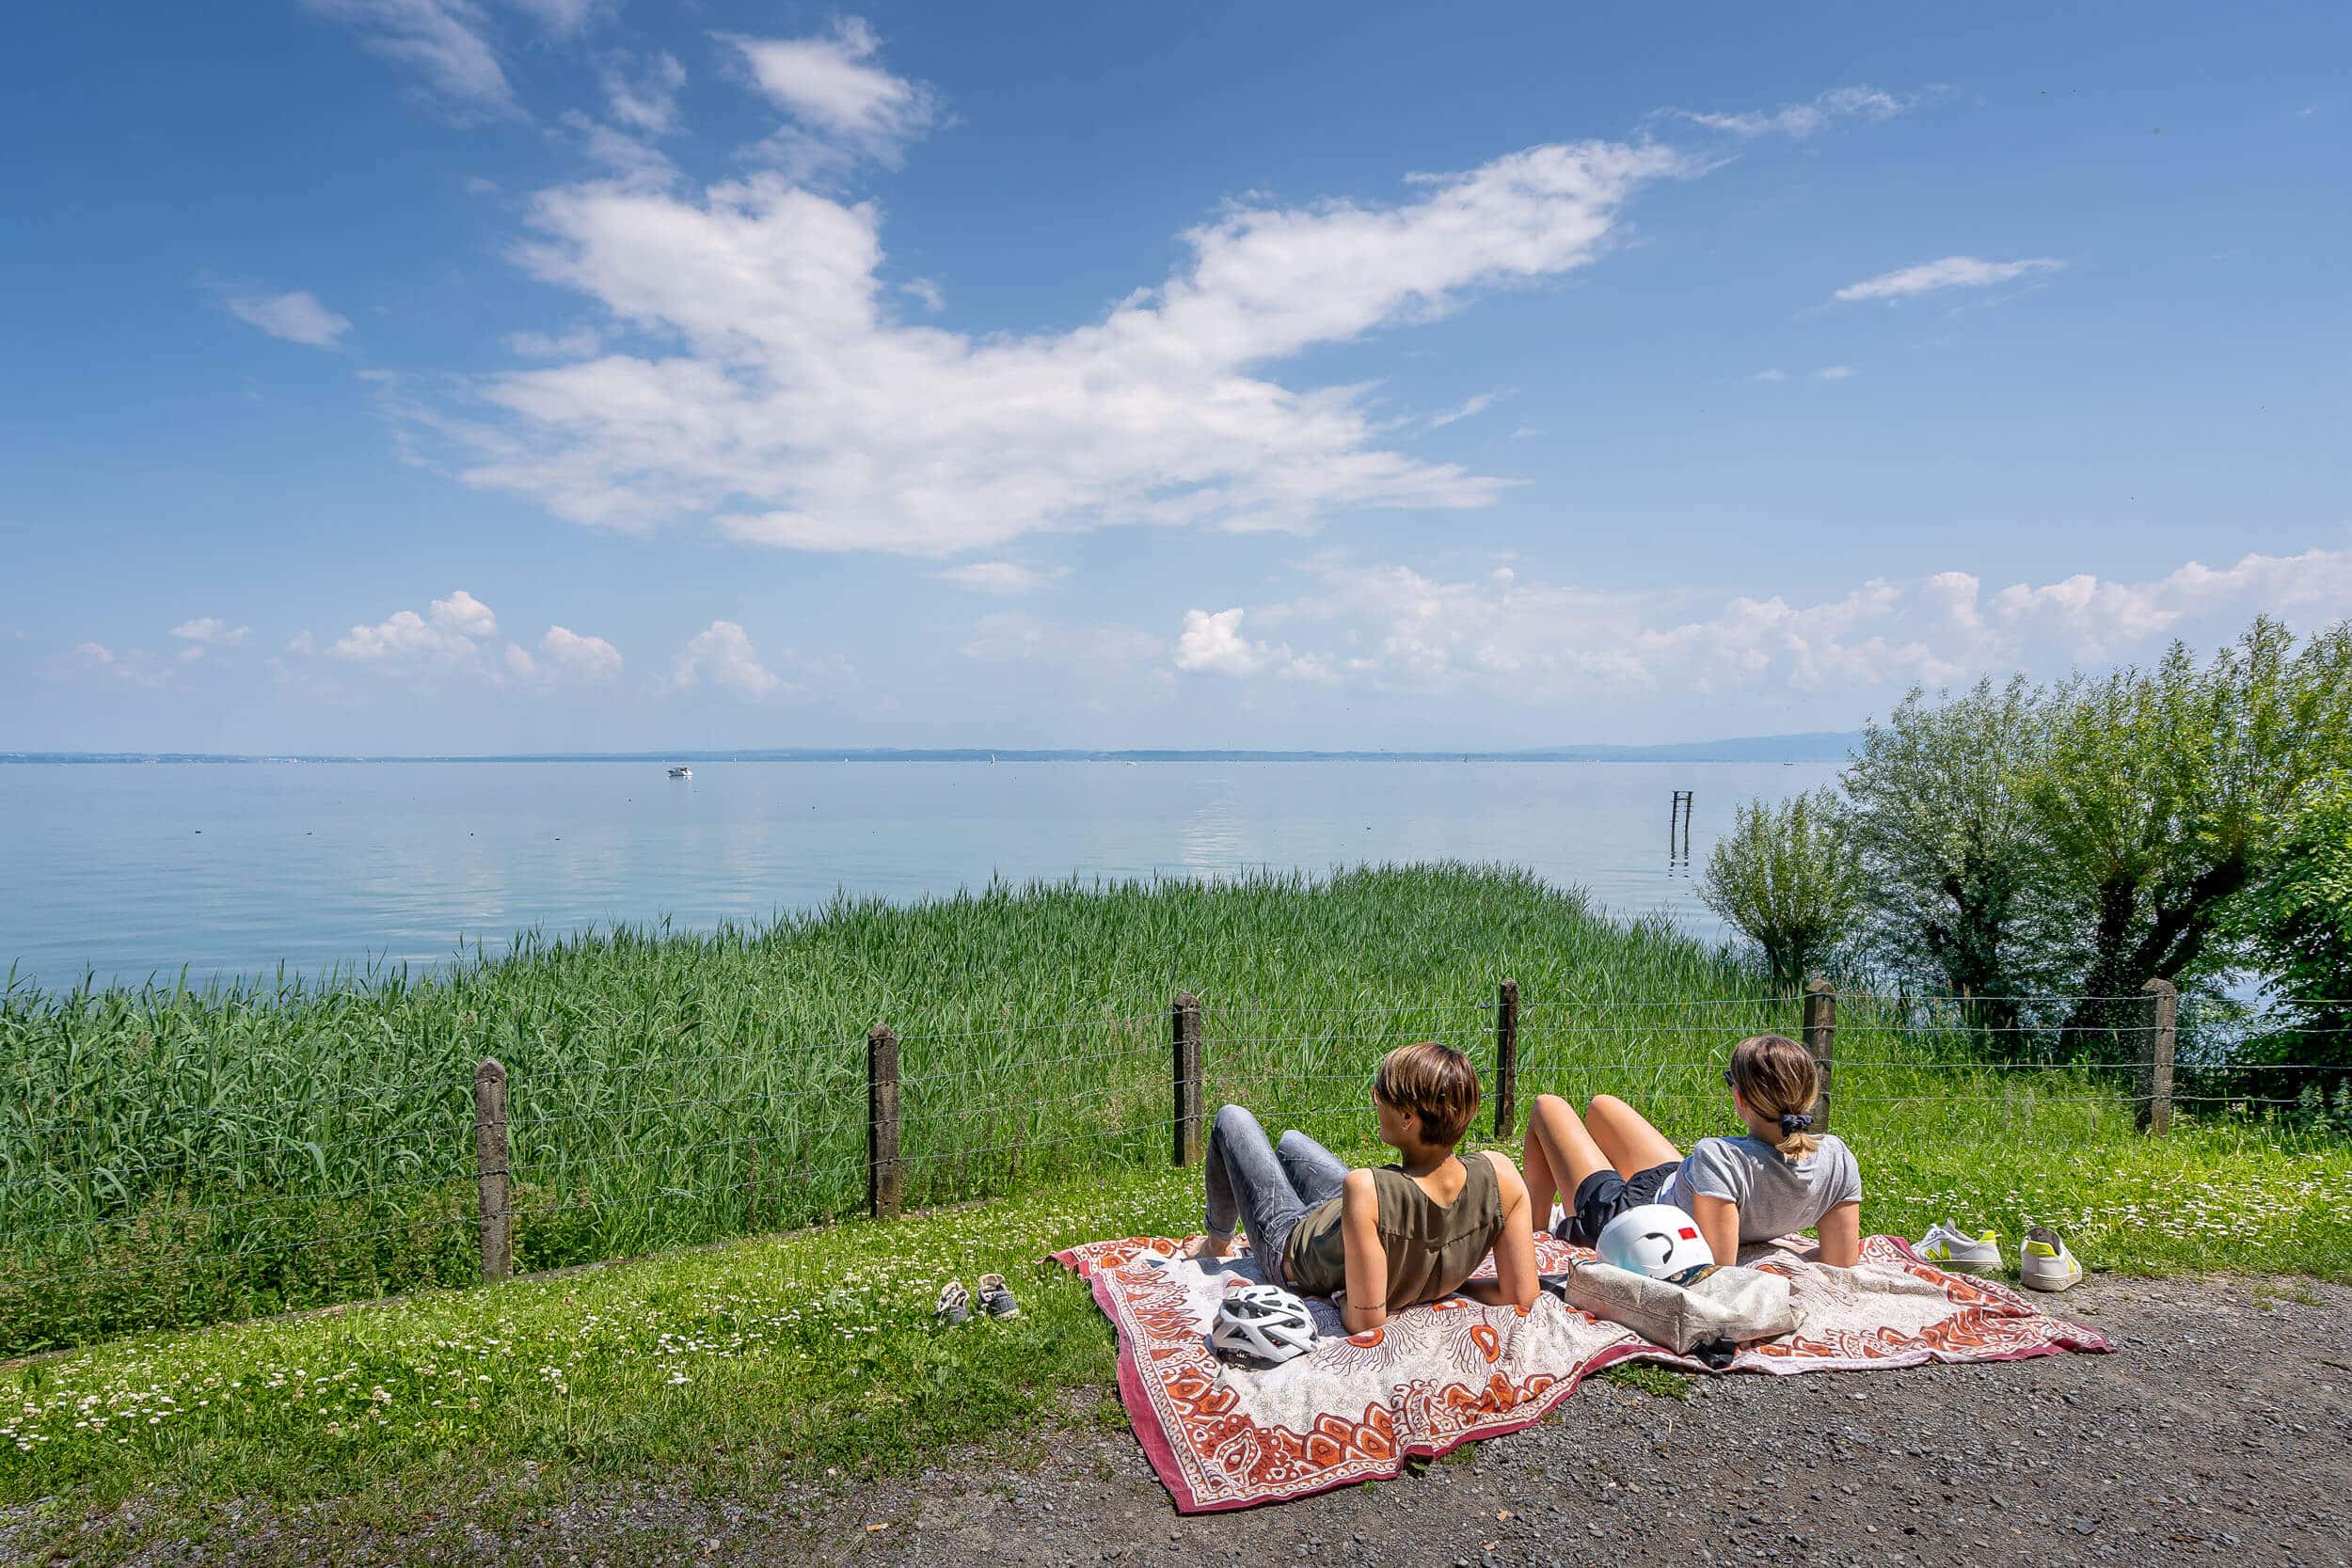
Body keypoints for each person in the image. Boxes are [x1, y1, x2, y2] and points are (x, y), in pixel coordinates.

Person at [1181, 1040, 1539, 1333]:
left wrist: (1348, 1296)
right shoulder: (1501, 1174)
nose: (1375, 1099)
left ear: (1407, 1119)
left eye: (1381, 1094)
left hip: (1291, 1245)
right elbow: (1521, 1293)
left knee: (1232, 1118)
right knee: (1290, 1143)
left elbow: (1366, 1320)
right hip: (1349, 1217)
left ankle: (1215, 1242)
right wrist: (1451, 1284)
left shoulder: (1366, 1188)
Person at [1521, 1033, 1862, 1268]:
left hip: (1631, 1217)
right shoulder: (1837, 1157)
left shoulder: (1721, 1158)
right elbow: (1841, 1260)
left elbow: (1716, 1267)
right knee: (1602, 1106)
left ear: (1739, 1098)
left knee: (1546, 1106)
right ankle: (1556, 1210)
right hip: (1672, 1185)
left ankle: (1534, 1233)